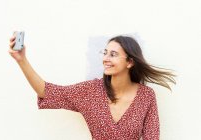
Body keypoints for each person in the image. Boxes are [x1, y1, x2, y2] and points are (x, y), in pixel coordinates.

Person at [9, 34, 176, 140]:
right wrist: (21, 60)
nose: (106, 58)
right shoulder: (90, 91)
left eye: (113, 54)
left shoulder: (146, 96)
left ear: (130, 62)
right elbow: (47, 92)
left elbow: (152, 137)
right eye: (105, 53)